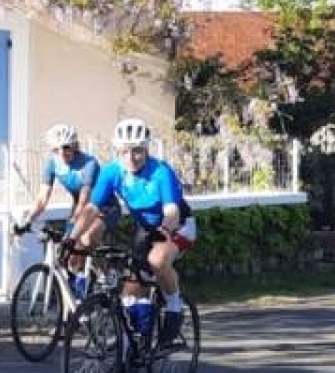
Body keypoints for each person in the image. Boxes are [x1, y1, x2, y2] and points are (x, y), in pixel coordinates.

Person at [86, 118, 197, 348]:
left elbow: (172, 210)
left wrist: (164, 230)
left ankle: (174, 309)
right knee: (131, 289)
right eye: (124, 151)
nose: (131, 157)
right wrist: (74, 237)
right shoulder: (112, 172)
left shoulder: (160, 171)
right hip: (145, 229)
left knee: (157, 261)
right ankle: (133, 344)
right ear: (117, 151)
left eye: (137, 151)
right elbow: (91, 208)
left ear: (146, 149)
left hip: (177, 225)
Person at [13, 122, 104, 291]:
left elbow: (85, 201)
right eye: (56, 149)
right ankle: (77, 293)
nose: (62, 153)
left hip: (101, 208)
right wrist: (27, 221)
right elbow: (42, 199)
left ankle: (96, 282)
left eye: (66, 147)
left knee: (84, 239)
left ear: (75, 146)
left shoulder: (89, 164)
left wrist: (73, 229)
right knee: (68, 258)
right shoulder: (53, 164)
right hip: (78, 207)